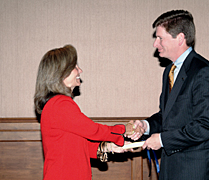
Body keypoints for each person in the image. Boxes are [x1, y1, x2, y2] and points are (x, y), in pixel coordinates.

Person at [129, 10, 209, 180]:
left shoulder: (203, 72)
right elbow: (167, 116)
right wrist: (146, 125)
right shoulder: (169, 72)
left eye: (160, 38)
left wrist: (163, 140)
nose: (155, 44)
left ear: (180, 38)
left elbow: (206, 126)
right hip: (171, 167)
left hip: (195, 170)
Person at [34, 45, 137, 180]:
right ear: (60, 73)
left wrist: (110, 147)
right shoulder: (59, 104)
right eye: (75, 67)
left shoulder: (56, 104)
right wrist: (124, 130)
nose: (80, 70)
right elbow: (93, 130)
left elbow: (75, 147)